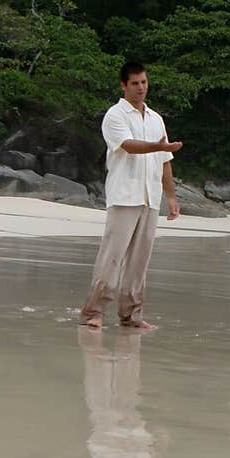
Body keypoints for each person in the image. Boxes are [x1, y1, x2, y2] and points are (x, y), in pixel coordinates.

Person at [80, 60, 182, 331]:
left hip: (151, 197)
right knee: (112, 257)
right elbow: (128, 145)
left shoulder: (156, 118)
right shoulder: (115, 115)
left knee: (140, 260)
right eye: (135, 83)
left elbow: (165, 159)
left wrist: (171, 197)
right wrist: (157, 146)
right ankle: (94, 311)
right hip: (125, 195)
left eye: (144, 82)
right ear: (124, 85)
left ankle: (131, 314)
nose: (141, 88)